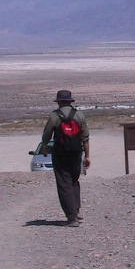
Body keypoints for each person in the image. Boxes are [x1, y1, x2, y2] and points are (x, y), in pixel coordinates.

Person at [39, 89, 91, 226]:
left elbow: (47, 134)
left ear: (59, 102)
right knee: (74, 181)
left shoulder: (54, 116)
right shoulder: (79, 115)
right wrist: (87, 156)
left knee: (64, 183)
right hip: (76, 152)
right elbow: (85, 137)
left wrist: (44, 146)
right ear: (70, 101)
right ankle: (76, 211)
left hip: (60, 153)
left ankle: (71, 217)